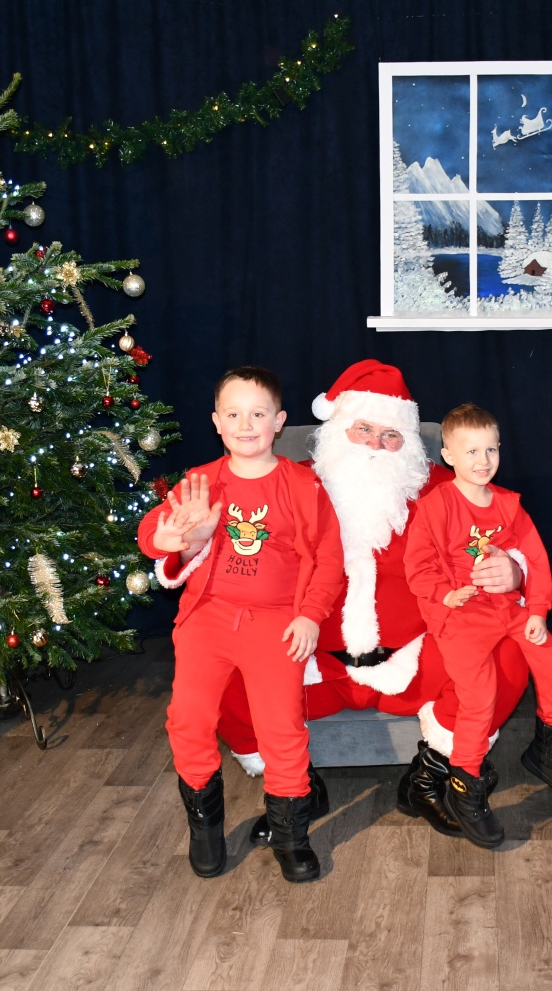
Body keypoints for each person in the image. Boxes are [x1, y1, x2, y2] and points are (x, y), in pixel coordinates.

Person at [214, 360, 530, 841]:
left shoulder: (443, 490)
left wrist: (514, 569)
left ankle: (428, 779)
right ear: (338, 429)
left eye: (391, 436)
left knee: (510, 651)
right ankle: (299, 789)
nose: (376, 446)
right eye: (363, 429)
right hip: (313, 667)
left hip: (415, 665)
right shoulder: (288, 483)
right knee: (217, 661)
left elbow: (512, 530)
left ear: (410, 444)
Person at [137, 366, 344, 883]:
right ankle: (205, 827)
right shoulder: (202, 482)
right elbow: (154, 530)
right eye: (233, 414)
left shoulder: (302, 484)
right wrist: (174, 540)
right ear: (216, 422)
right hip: (208, 620)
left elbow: (329, 559)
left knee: (281, 729)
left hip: (276, 625)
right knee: (188, 719)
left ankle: (291, 836)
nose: (245, 425)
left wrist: (310, 615)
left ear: (279, 421)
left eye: (257, 414)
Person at [404, 403, 552, 849]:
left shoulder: (508, 504)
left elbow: (535, 559)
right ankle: (466, 785)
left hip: (507, 608)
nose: (483, 461)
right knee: (479, 694)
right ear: (448, 455)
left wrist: (537, 610)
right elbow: (418, 565)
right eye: (471, 451)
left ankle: (550, 747)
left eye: (491, 450)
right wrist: (445, 594)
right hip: (461, 617)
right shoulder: (437, 506)